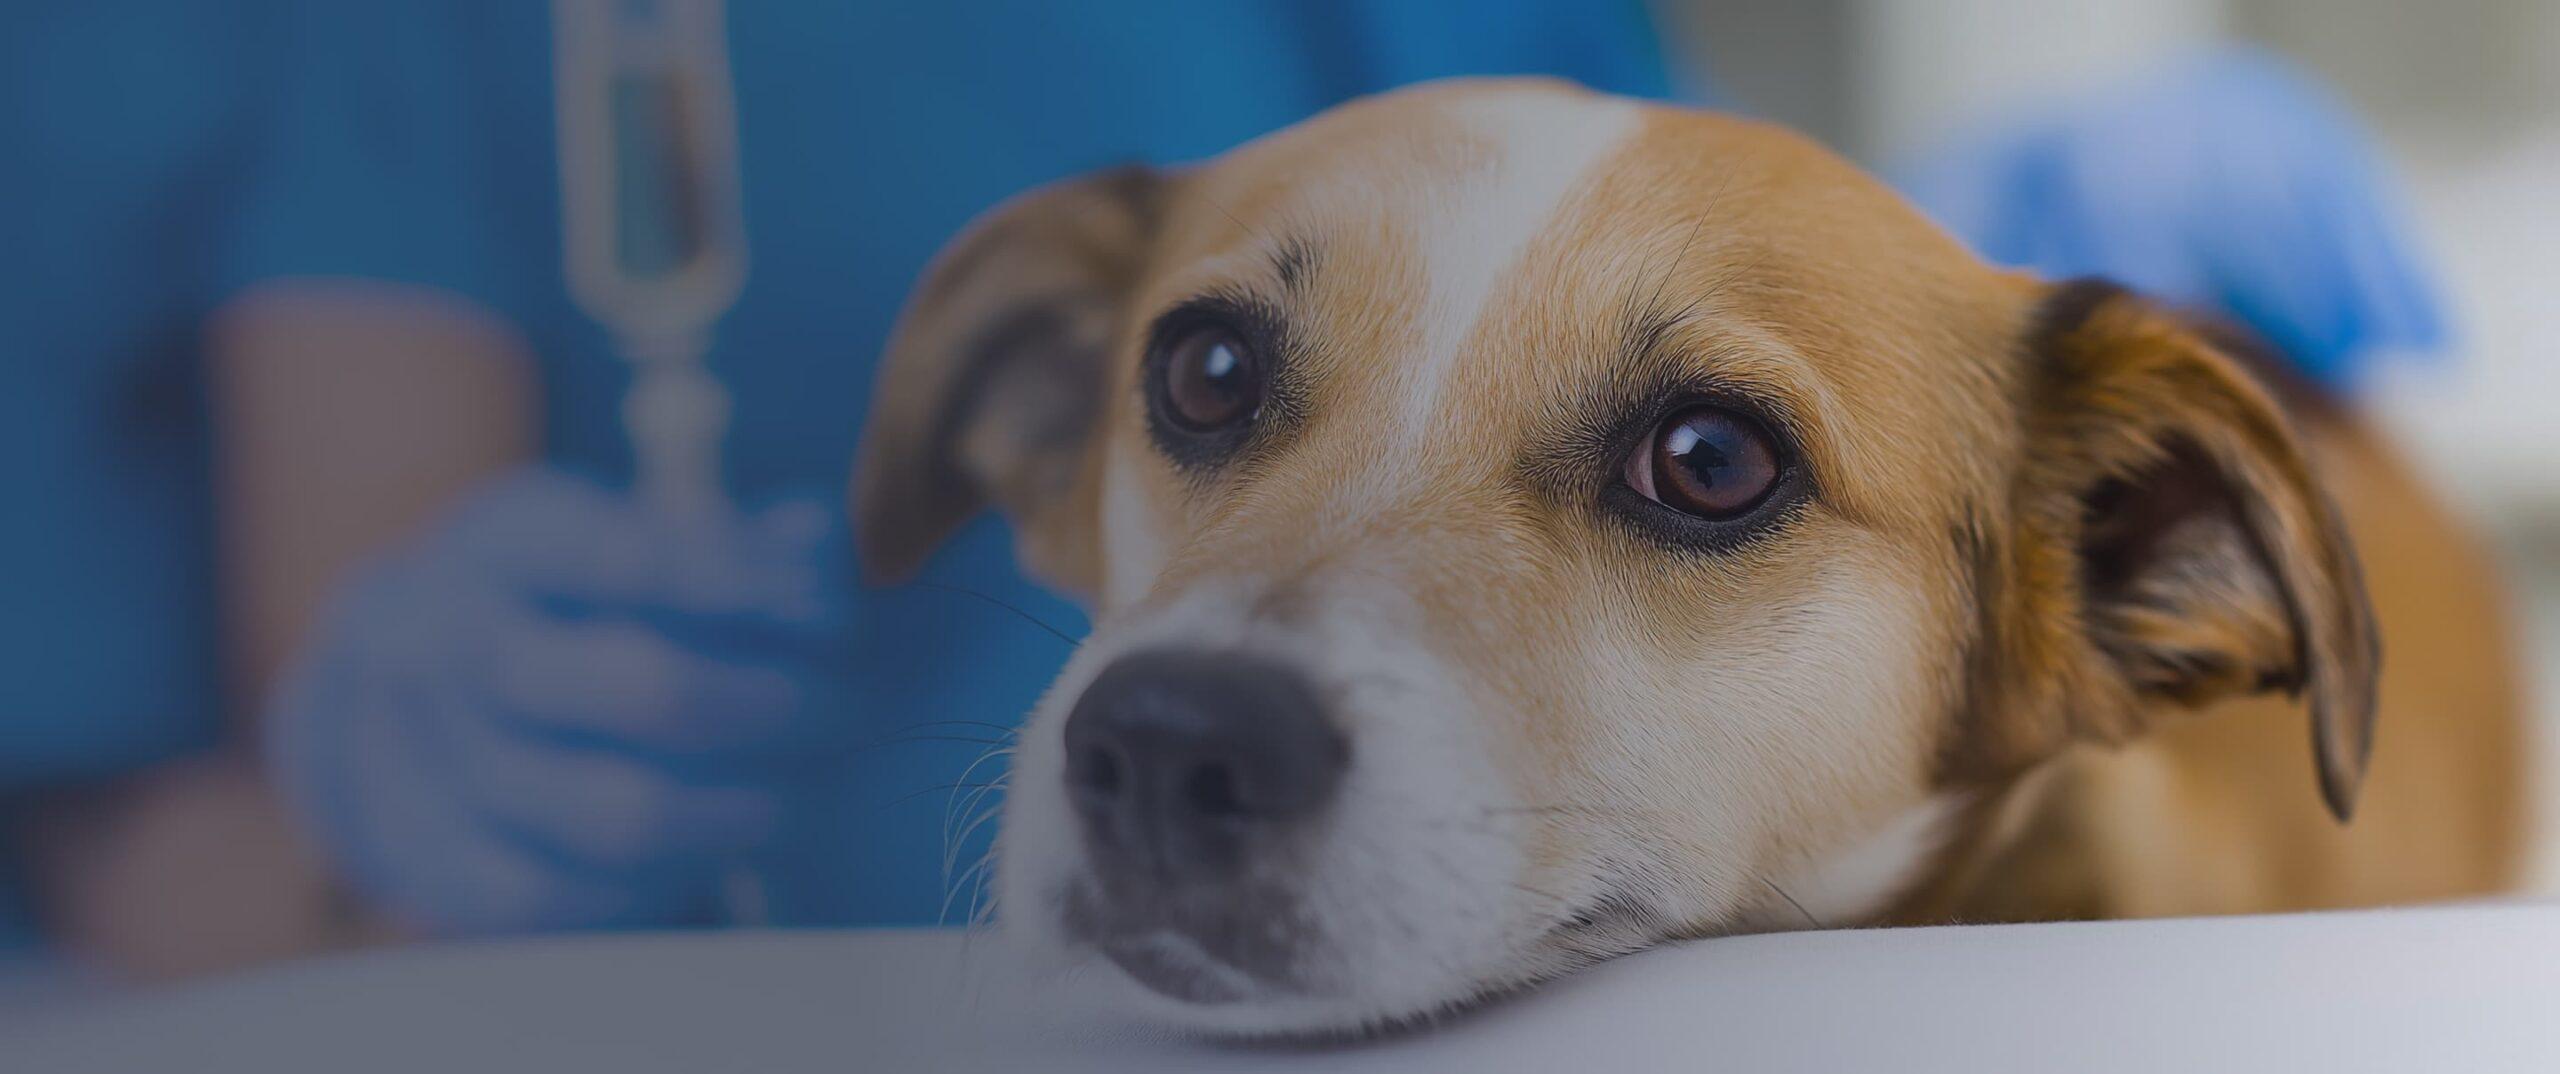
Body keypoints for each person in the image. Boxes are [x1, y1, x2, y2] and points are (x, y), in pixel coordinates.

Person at [0, 0, 2445, 960]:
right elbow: (136, 827)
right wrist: (336, 801)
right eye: (1210, 391)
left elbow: (1632, 191)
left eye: (1697, 467)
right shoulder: (382, 50)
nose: (1194, 694)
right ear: (1044, 440)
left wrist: (2033, 398)